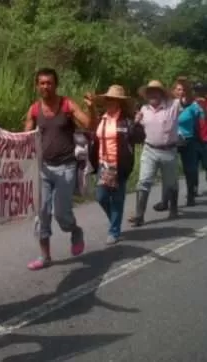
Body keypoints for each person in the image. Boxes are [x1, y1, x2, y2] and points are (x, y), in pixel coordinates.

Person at [24, 68, 96, 270]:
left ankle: (74, 230)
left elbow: (90, 124)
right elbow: (25, 138)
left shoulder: (67, 105)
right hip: (43, 169)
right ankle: (45, 256)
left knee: (61, 213)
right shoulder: (34, 110)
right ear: (37, 86)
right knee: (42, 212)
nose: (46, 86)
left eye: (49, 82)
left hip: (66, 167)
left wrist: (91, 108)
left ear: (56, 84)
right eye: (42, 83)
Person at [91, 85, 143, 245]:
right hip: (103, 164)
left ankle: (114, 230)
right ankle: (115, 220)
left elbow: (139, 138)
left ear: (119, 103)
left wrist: (137, 124)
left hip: (120, 164)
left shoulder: (126, 121)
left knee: (117, 198)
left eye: (112, 100)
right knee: (101, 197)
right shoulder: (102, 118)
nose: (109, 102)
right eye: (107, 99)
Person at [130, 80, 181, 225]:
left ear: (161, 93)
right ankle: (139, 216)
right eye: (150, 92)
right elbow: (137, 131)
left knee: (170, 183)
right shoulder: (144, 109)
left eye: (155, 91)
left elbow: (186, 97)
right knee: (143, 181)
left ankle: (173, 209)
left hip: (169, 150)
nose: (152, 94)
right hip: (150, 150)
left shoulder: (173, 106)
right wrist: (136, 121)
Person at [174, 78, 204, 206]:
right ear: (174, 91)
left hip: (188, 140)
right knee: (171, 170)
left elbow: (203, 117)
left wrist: (201, 107)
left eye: (183, 89)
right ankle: (169, 200)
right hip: (173, 141)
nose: (181, 92)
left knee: (190, 170)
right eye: (178, 89)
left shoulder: (193, 104)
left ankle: (191, 195)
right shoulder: (171, 104)